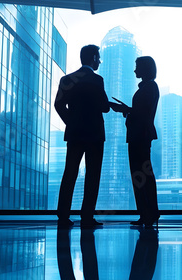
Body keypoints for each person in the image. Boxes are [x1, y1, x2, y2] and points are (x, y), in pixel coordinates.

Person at [55, 44, 109, 227]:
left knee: (70, 173)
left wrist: (71, 122)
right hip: (94, 133)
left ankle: (63, 215)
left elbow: (58, 105)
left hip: (75, 133)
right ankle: (87, 217)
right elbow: (104, 107)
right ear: (93, 57)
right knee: (93, 175)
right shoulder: (97, 80)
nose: (100, 61)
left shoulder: (67, 79)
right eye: (98, 57)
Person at [110, 56, 160, 227]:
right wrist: (127, 110)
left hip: (140, 135)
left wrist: (125, 110)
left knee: (141, 175)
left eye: (137, 66)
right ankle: (147, 213)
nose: (134, 70)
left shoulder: (149, 87)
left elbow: (142, 114)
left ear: (145, 68)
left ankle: (148, 213)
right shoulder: (148, 87)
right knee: (142, 175)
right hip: (140, 135)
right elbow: (142, 112)